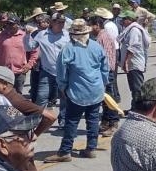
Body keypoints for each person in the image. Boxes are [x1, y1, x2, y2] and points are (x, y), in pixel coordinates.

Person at [45, 19, 109, 163]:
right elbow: (105, 69)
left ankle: (65, 151)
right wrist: (103, 84)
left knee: (71, 122)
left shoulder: (68, 49)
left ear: (72, 34)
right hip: (96, 90)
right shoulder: (96, 47)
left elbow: (61, 72)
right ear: (87, 32)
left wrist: (62, 87)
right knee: (92, 120)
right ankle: (91, 148)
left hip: (77, 92)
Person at [0, 66, 55, 171]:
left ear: (4, 84)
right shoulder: (2, 99)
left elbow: (50, 116)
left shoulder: (15, 101)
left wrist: (35, 134)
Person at [24, 14, 70, 121]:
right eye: (59, 22)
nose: (61, 24)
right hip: (47, 72)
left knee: (64, 98)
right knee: (41, 97)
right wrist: (27, 36)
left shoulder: (67, 35)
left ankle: (63, 120)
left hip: (64, 73)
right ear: (52, 22)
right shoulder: (41, 35)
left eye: (63, 22)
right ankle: (35, 120)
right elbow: (29, 48)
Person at [0, 14, 38, 94]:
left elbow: (35, 50)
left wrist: (29, 64)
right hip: (3, 71)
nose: (8, 26)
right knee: (2, 93)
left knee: (17, 95)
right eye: (7, 24)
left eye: (11, 24)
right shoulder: (0, 35)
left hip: (19, 71)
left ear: (18, 25)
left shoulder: (24, 36)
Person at [90, 13, 121, 136]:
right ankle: (106, 121)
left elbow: (107, 58)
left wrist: (104, 74)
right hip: (103, 72)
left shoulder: (104, 37)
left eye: (90, 26)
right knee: (104, 99)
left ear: (97, 25)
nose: (89, 29)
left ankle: (113, 122)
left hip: (106, 73)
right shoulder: (100, 36)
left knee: (109, 98)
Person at [119, 10, 150, 101]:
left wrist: (125, 62)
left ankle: (138, 109)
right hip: (132, 62)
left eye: (124, 19)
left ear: (129, 19)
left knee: (137, 88)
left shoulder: (134, 30)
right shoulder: (130, 29)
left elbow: (133, 47)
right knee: (133, 87)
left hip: (134, 63)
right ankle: (135, 107)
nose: (122, 21)